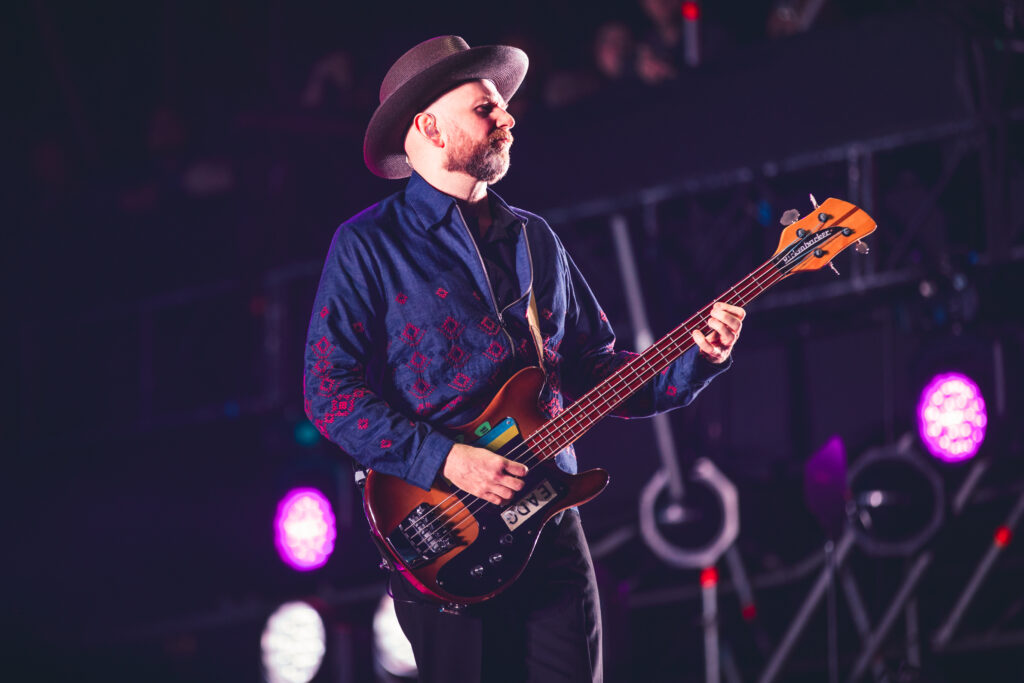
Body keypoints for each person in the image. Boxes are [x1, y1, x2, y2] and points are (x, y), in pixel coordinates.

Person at [303, 35, 745, 683]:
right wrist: (446, 458)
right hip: (443, 530)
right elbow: (328, 392)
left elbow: (595, 370)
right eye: (486, 107)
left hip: (550, 523)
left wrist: (693, 362)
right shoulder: (368, 245)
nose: (508, 116)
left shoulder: (534, 238)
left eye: (504, 105)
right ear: (427, 125)